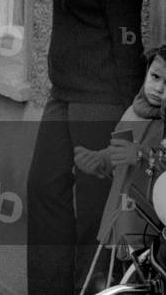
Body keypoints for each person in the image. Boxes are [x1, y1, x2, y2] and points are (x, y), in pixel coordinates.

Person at [27, 0, 145, 295]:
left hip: (100, 103)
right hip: (64, 96)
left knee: (94, 214)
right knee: (44, 190)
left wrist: (132, 121)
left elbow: (128, 44)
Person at [74, 45, 166, 285]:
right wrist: (101, 161)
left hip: (149, 230)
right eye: (155, 77)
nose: (158, 88)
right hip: (119, 217)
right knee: (109, 282)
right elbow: (118, 154)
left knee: (141, 282)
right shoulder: (133, 112)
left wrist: (142, 155)